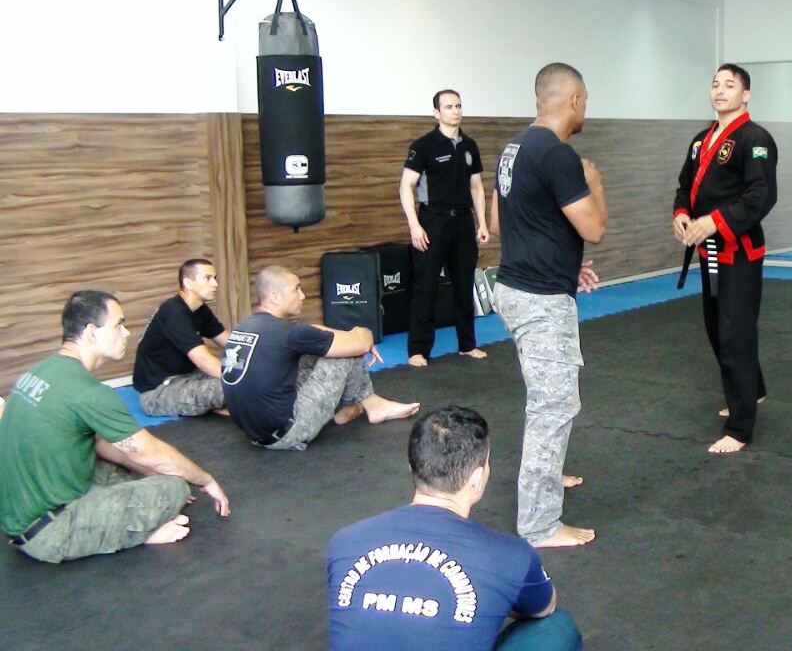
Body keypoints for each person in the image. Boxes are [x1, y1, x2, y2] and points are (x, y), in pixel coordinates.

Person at [0, 291, 231, 563]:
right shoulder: (86, 392)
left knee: (136, 469)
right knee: (175, 488)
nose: (127, 333)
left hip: (23, 513)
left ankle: (127, 517)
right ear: (91, 332)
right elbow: (150, 452)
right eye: (119, 325)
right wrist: (205, 480)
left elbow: (100, 443)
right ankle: (135, 533)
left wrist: (150, 472)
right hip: (49, 532)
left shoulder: (42, 370)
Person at [327, 406, 582, 651]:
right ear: (477, 478)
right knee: (556, 627)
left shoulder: (345, 541)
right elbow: (544, 608)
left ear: (412, 467)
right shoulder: (512, 554)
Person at [488, 62, 605, 548]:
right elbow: (593, 228)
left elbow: (505, 223)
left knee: (549, 399)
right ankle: (539, 525)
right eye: (585, 102)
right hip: (539, 301)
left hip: (517, 286)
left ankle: (548, 474)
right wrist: (594, 181)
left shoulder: (513, 149)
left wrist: (563, 267)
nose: (585, 110)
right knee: (553, 406)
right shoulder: (560, 156)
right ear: (574, 100)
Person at [673, 63, 778, 454]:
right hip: (709, 249)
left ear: (745, 95)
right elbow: (685, 186)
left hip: (739, 251)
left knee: (735, 333)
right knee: (717, 329)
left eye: (729, 85)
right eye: (715, 84)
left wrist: (714, 222)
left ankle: (739, 427)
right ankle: (753, 389)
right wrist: (682, 214)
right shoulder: (701, 140)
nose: (720, 90)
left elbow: (761, 196)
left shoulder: (755, 139)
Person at [221, 266, 420, 451]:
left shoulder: (245, 327)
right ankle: (372, 406)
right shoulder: (287, 332)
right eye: (296, 289)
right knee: (345, 352)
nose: (302, 296)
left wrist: (350, 337)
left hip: (255, 435)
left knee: (321, 348)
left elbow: (313, 331)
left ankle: (358, 406)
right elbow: (359, 343)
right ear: (275, 297)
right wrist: (363, 332)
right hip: (288, 434)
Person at [399, 89, 491, 368]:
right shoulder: (424, 146)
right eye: (449, 106)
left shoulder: (469, 146)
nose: (456, 111)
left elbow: (476, 187)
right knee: (426, 286)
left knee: (464, 284)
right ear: (436, 113)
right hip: (432, 221)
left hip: (462, 221)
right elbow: (406, 186)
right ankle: (418, 350)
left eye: (458, 105)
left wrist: (482, 223)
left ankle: (467, 345)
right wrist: (414, 225)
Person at [132, 258, 230, 417]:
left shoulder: (200, 309)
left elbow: (230, 343)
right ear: (188, 283)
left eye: (215, 278)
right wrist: (241, 380)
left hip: (192, 376)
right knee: (233, 387)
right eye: (207, 278)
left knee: (249, 375)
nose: (215, 284)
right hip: (160, 391)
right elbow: (203, 360)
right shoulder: (173, 312)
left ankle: (217, 405)